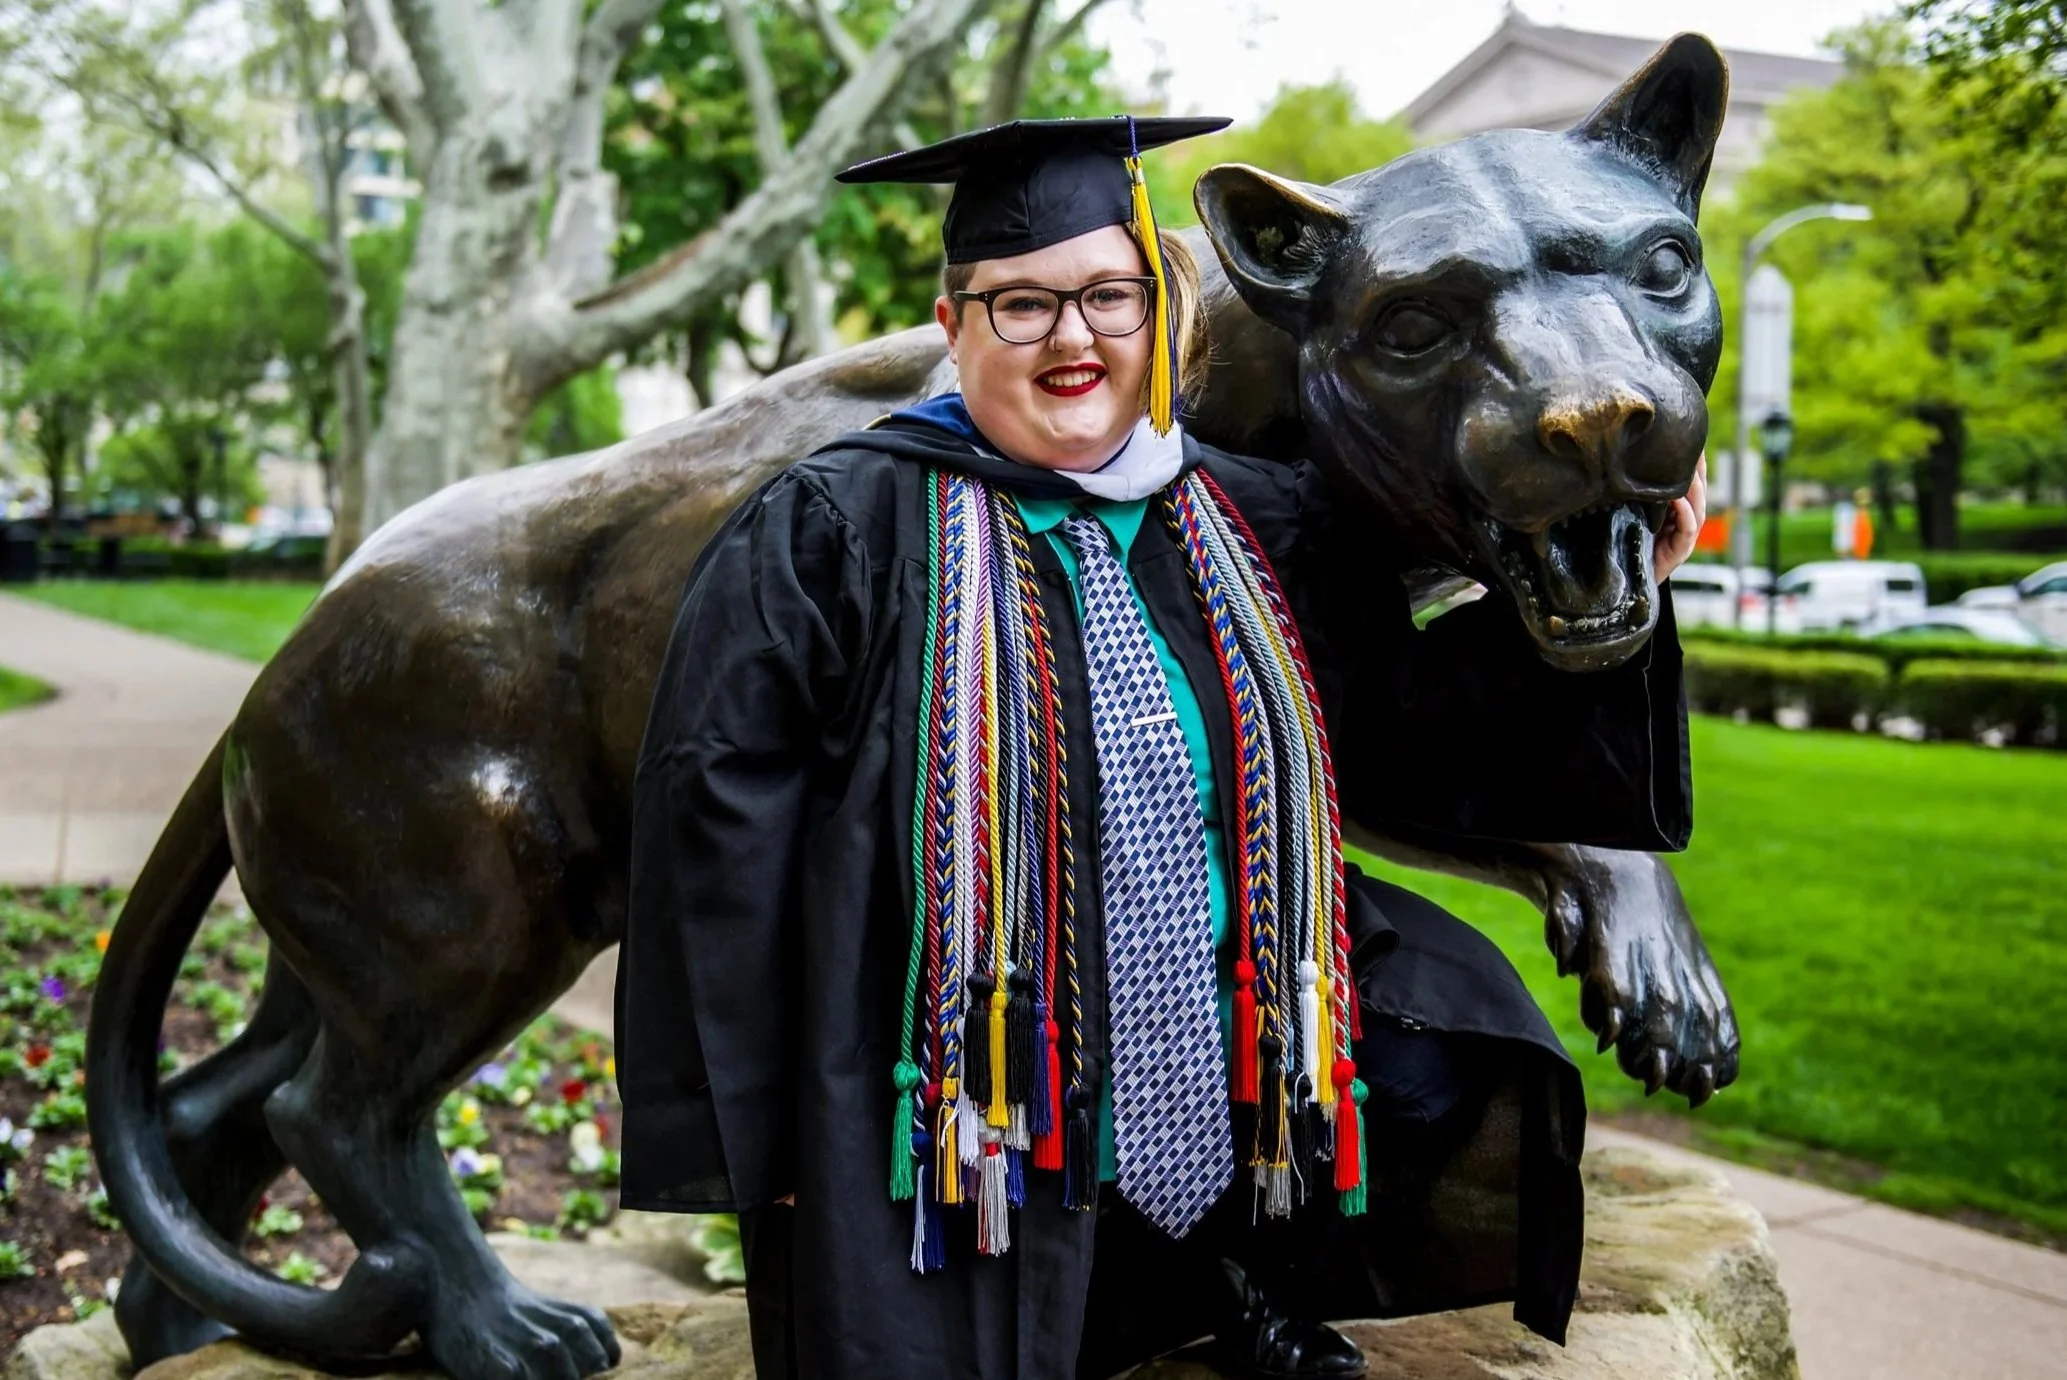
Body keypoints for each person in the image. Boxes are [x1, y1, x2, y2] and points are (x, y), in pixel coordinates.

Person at [616, 116, 1705, 1380]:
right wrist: (765, 1139)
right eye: (1022, 305)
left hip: (1211, 1012)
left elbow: (1413, 729)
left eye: (1107, 297)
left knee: (1438, 1050)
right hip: (958, 1056)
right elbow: (714, 834)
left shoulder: (1254, 515)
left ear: (1158, 311)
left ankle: (1210, 1282)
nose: (1074, 338)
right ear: (956, 319)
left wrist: (1619, 616)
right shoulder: (834, 528)